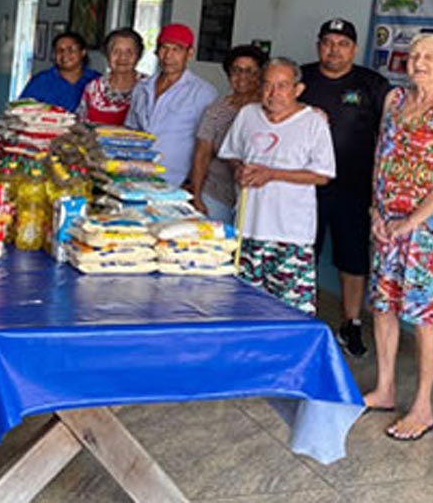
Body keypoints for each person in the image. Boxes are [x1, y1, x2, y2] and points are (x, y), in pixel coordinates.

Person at [362, 33, 433, 442]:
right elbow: (381, 158)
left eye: (429, 56)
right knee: (382, 306)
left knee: (425, 318)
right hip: (388, 224)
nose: (419, 62)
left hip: (432, 232)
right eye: (413, 55)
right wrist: (377, 210)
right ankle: (385, 387)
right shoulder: (394, 100)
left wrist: (411, 221)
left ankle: (423, 406)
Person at [300, 18, 391, 357]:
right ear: (318, 45)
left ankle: (350, 323)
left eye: (342, 43)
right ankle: (301, 316)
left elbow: (389, 136)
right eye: (327, 42)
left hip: (354, 189)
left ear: (353, 48)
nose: (334, 49)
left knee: (352, 261)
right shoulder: (301, 78)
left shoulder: (372, 84)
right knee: (302, 252)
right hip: (305, 187)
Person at [218, 58, 335, 315]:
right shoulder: (248, 114)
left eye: (282, 86)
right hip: (247, 229)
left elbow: (323, 174)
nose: (273, 93)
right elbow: (231, 153)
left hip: (290, 235)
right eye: (268, 85)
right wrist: (239, 168)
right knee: (243, 307)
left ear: (298, 89)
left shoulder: (313, 122)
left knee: (291, 312)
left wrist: (272, 174)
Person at [125, 23, 217, 185]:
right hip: (135, 176)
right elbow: (131, 130)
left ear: (190, 53)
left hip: (175, 181)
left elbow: (206, 147)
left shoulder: (204, 93)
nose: (168, 56)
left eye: (177, 50)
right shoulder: (142, 87)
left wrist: (195, 184)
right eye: (164, 48)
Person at [186, 45, 266, 222]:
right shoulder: (216, 111)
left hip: (257, 200)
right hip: (217, 195)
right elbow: (202, 155)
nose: (242, 77)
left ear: (260, 75)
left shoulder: (269, 111)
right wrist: (197, 195)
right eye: (236, 70)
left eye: (250, 71)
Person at [77, 28, 146, 125]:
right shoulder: (93, 88)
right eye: (116, 52)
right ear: (107, 54)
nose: (122, 57)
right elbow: (81, 124)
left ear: (139, 56)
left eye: (129, 52)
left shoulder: (149, 87)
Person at [19, 31, 99, 112]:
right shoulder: (41, 81)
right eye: (59, 50)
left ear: (83, 52)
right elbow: (21, 110)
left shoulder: (97, 81)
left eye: (71, 49)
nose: (65, 54)